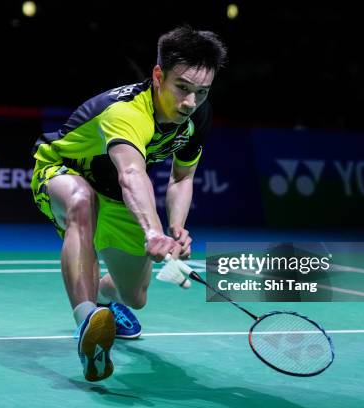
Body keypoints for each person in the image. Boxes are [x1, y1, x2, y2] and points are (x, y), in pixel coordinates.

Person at [30, 26, 227, 381]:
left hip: (117, 198)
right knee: (81, 201)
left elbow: (182, 177)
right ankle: (87, 319)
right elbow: (132, 174)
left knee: (134, 297)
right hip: (61, 172)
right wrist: (153, 233)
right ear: (157, 75)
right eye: (182, 87)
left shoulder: (198, 114)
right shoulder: (125, 111)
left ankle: (105, 304)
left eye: (201, 92)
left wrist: (176, 229)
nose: (190, 102)